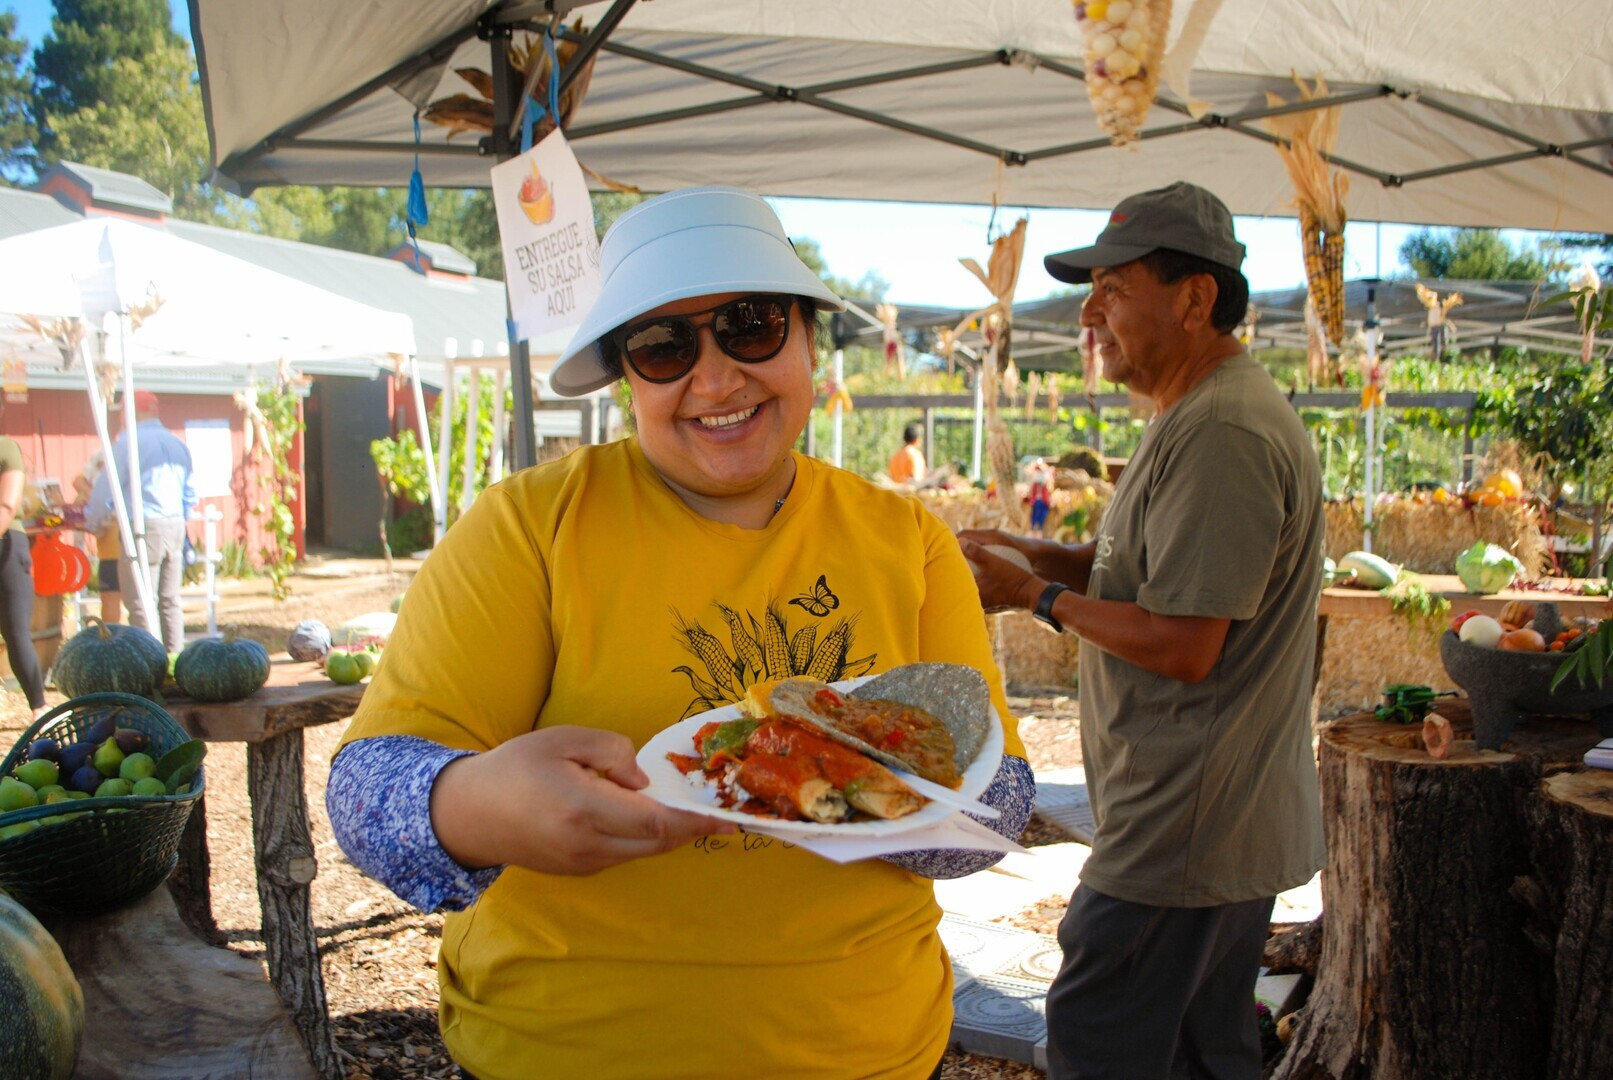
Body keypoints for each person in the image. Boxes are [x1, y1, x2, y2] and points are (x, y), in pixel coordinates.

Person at [326, 186, 1034, 1080]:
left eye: (750, 325)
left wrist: (876, 797)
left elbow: (997, 799)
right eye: (664, 346)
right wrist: (476, 807)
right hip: (558, 1052)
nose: (715, 378)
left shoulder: (909, 542)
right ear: (628, 374)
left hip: (866, 1051)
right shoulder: (530, 527)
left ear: (809, 339)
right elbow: (364, 791)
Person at [960, 181, 1326, 1080]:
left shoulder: (1224, 433)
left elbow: (1183, 644)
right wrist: (1035, 554)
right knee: (1203, 1050)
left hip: (1183, 827)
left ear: (1194, 299)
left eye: (1113, 289)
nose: (1090, 313)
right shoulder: (1193, 413)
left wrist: (1029, 598)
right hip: (1205, 818)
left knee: (1100, 1030)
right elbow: (1138, 574)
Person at [84, 389, 195, 650]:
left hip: (144, 526)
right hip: (176, 524)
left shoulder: (127, 443)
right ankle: (175, 660)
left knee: (140, 601)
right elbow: (190, 493)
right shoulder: (175, 442)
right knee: (169, 599)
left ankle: (149, 662)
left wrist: (93, 522)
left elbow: (105, 489)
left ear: (130, 412)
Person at [0, 425, 46, 717]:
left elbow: (8, 502)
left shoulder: (6, 447)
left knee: (16, 632)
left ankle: (39, 708)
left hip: (7, 545)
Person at [73, 451, 121, 623]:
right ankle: (111, 643)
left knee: (127, 596)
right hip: (109, 539)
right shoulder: (103, 456)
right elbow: (77, 480)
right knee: (110, 595)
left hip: (123, 533)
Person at [887, 420, 926, 484]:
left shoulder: (895, 455)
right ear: (917, 439)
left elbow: (891, 477)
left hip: (896, 492)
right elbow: (916, 479)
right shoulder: (915, 455)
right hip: (910, 492)